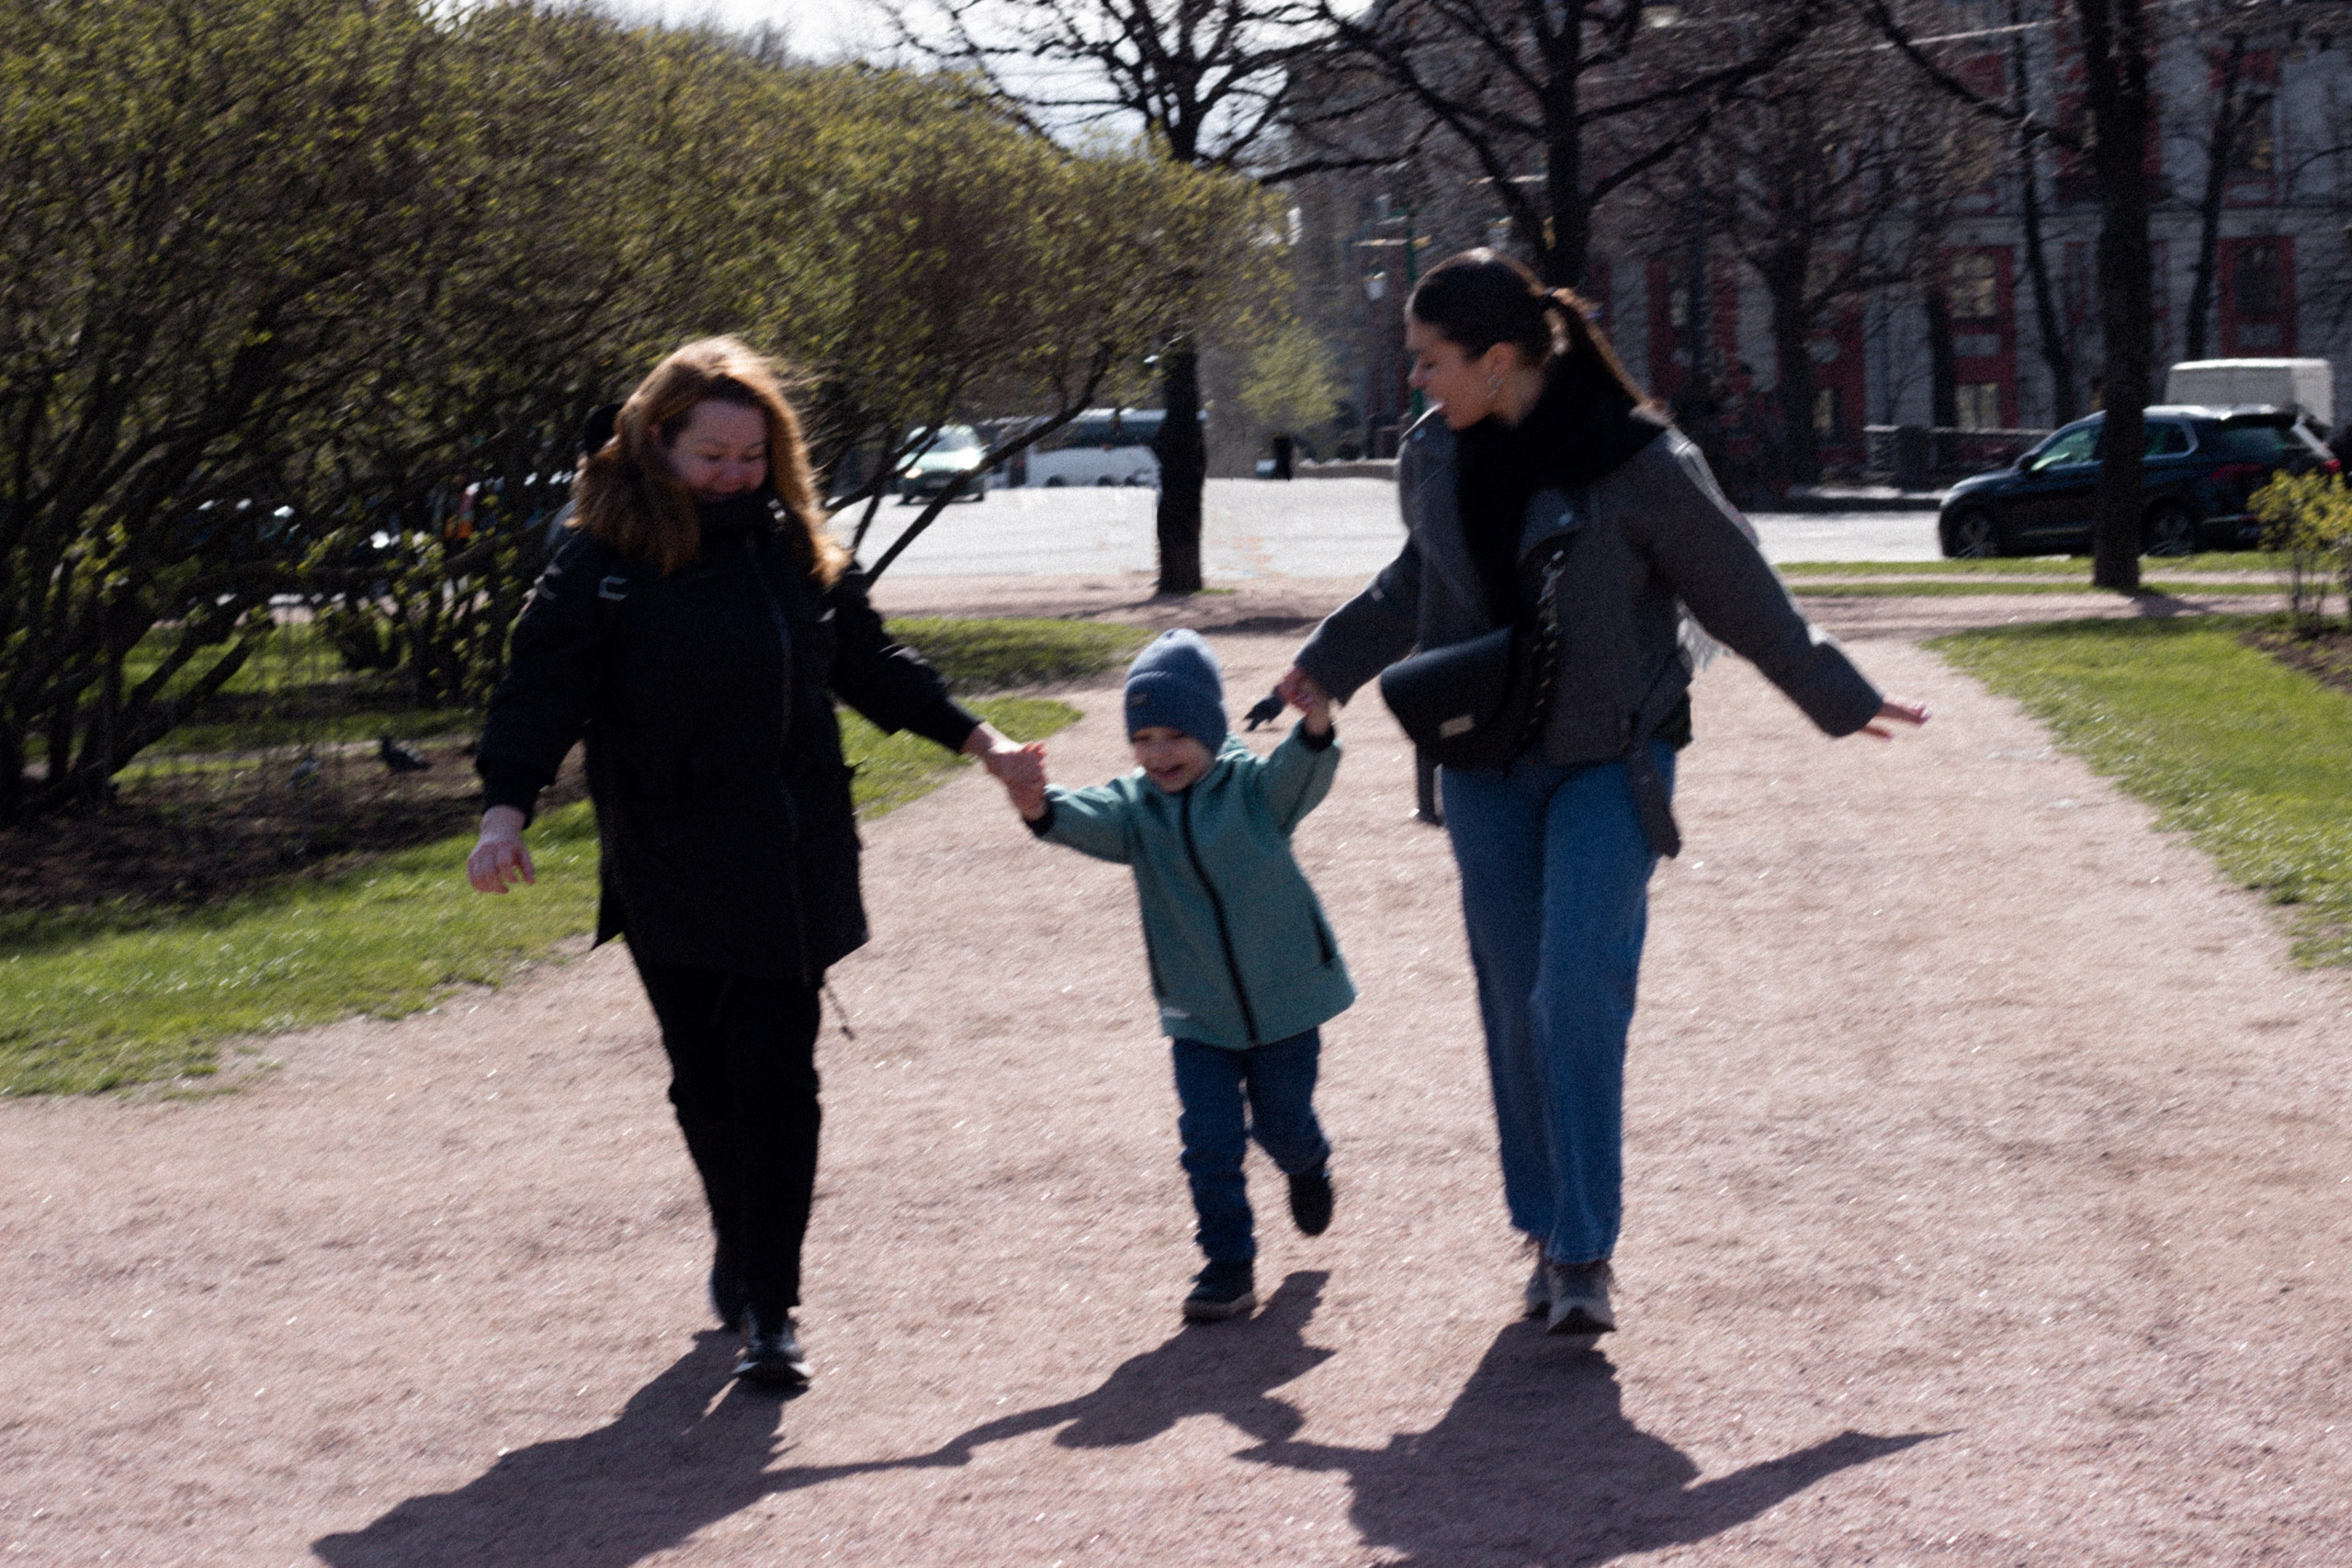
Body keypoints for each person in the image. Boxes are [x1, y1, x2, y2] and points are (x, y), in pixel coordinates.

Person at [1273, 251, 1928, 1337]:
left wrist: (1837, 693)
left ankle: (1583, 1250)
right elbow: (1417, 578)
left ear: (1495, 359)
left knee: (1573, 992)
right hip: (1482, 764)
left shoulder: (1640, 460)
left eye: (1430, 360)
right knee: (1513, 1006)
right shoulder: (1434, 452)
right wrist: (1328, 661)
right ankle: (1543, 1224)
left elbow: (1737, 589)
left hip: (1609, 762)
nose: (1416, 380)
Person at [465, 336, 1040, 1389]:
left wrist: (984, 744)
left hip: (790, 852)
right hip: (668, 855)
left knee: (779, 1080)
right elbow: (537, 694)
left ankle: (772, 1305)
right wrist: (504, 814)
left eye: (751, 455)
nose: (735, 475)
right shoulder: (603, 561)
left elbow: (872, 664)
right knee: (705, 1083)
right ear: (656, 444)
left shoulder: (796, 550)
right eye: (712, 456)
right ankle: (740, 1236)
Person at [1001, 629, 1353, 1323]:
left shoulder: (1254, 792)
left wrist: (1316, 720)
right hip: (1199, 1013)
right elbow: (1079, 817)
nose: (1159, 753)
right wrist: (1036, 802)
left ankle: (1307, 1161)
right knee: (1208, 1140)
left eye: (1176, 736)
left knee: (1282, 1123)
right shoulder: (1136, 808)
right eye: (1144, 739)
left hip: (1285, 1002)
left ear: (1211, 731)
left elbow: (1299, 771)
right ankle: (1227, 1265)